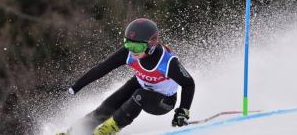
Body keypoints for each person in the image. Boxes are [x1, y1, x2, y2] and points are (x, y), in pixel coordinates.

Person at [58, 18, 195, 135]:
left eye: (137, 47)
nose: (132, 51)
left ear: (151, 44)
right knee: (107, 106)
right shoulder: (128, 53)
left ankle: (107, 130)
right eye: (128, 44)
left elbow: (189, 84)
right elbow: (102, 68)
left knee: (139, 95)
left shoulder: (167, 62)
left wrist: (183, 111)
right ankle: (76, 131)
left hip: (163, 101)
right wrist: (75, 87)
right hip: (141, 84)